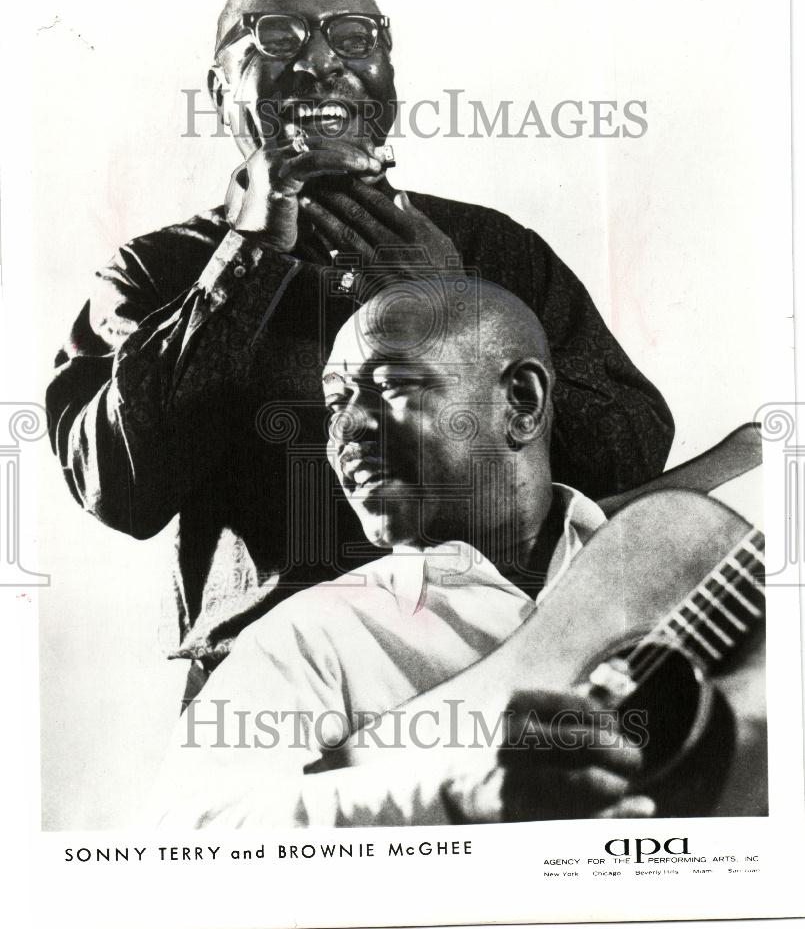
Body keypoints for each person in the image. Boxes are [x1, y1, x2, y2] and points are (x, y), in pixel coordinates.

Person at [45, 0, 673, 698]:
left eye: (352, 36)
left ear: (387, 75)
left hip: (505, 665)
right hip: (272, 694)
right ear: (220, 93)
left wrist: (452, 306)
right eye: (275, 38)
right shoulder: (155, 271)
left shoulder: (492, 249)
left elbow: (629, 460)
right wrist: (246, 260)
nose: (319, 62)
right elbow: (118, 492)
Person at [154, 278, 655, 827]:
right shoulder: (309, 636)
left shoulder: (669, 563)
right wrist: (448, 795)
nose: (345, 428)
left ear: (522, 403)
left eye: (390, 386)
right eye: (334, 404)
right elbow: (192, 830)